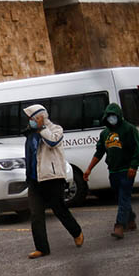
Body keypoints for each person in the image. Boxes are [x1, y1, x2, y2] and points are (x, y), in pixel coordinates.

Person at [22, 104, 84, 258]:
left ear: (40, 117)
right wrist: (28, 175)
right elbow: (30, 156)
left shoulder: (56, 129)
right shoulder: (30, 134)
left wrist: (43, 128)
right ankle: (42, 248)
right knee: (36, 215)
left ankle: (76, 232)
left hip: (53, 178)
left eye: (32, 118)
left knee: (59, 209)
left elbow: (53, 142)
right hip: (34, 180)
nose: (30, 121)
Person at [84, 103, 139, 239]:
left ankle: (119, 225)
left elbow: (138, 149)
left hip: (126, 170)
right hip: (113, 171)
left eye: (113, 116)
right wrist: (89, 169)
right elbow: (99, 152)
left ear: (119, 116)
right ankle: (131, 219)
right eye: (109, 116)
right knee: (121, 196)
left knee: (123, 197)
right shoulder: (105, 133)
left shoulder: (129, 129)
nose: (111, 118)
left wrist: (133, 166)